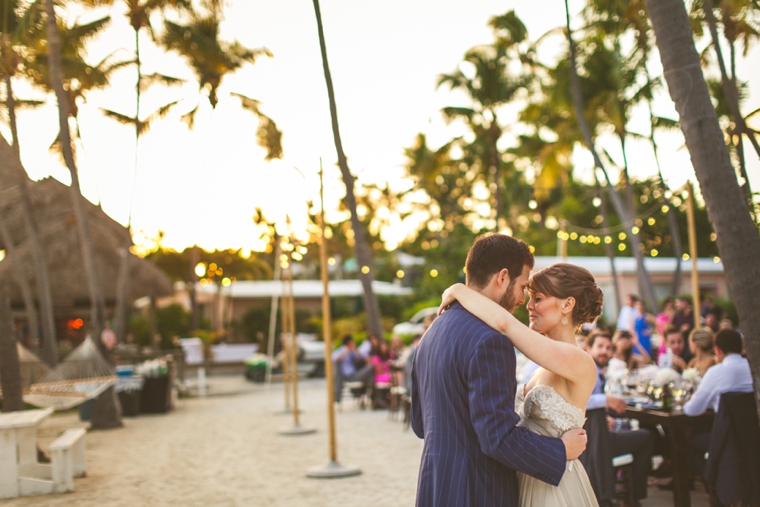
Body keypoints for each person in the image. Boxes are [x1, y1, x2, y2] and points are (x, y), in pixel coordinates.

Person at [411, 234, 589, 507]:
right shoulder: (490, 340)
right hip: (477, 491)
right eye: (523, 288)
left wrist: (459, 290)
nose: (523, 300)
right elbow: (497, 439)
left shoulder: (434, 330)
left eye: (536, 297)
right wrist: (560, 450)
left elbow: (420, 424)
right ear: (502, 277)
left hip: (437, 486)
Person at [586, 332, 655, 507]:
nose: (605, 351)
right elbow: (580, 400)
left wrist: (605, 414)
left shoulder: (598, 370)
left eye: (608, 348)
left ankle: (625, 492)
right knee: (646, 436)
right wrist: (606, 401)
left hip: (597, 436)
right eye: (600, 347)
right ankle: (634, 497)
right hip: (595, 442)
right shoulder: (589, 368)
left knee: (640, 432)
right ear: (589, 348)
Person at [683, 329, 754, 477]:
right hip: (754, 432)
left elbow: (691, 410)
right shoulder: (752, 368)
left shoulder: (716, 372)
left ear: (718, 350)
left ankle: (715, 485)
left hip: (728, 437)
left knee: (688, 445)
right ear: (741, 348)